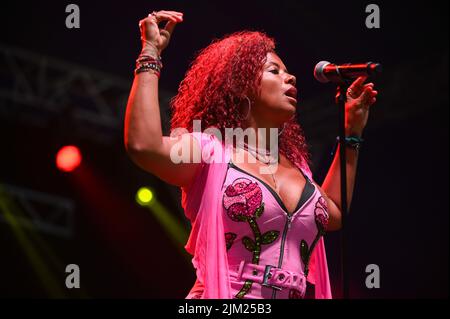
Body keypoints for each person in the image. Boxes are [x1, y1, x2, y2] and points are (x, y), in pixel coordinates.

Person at [124, 10, 378, 299]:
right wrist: (150, 52)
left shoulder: (298, 168)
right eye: (275, 71)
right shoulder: (210, 150)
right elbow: (144, 146)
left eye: (286, 71)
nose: (291, 77)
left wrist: (351, 133)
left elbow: (333, 212)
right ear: (241, 85)